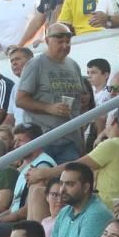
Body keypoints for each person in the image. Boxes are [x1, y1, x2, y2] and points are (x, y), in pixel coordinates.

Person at [16, 23, 84, 164]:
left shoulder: (74, 65)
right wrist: (49, 108)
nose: (65, 45)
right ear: (47, 41)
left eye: (68, 41)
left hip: (70, 140)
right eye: (60, 42)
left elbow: (80, 102)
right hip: (43, 139)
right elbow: (20, 100)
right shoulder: (35, 64)